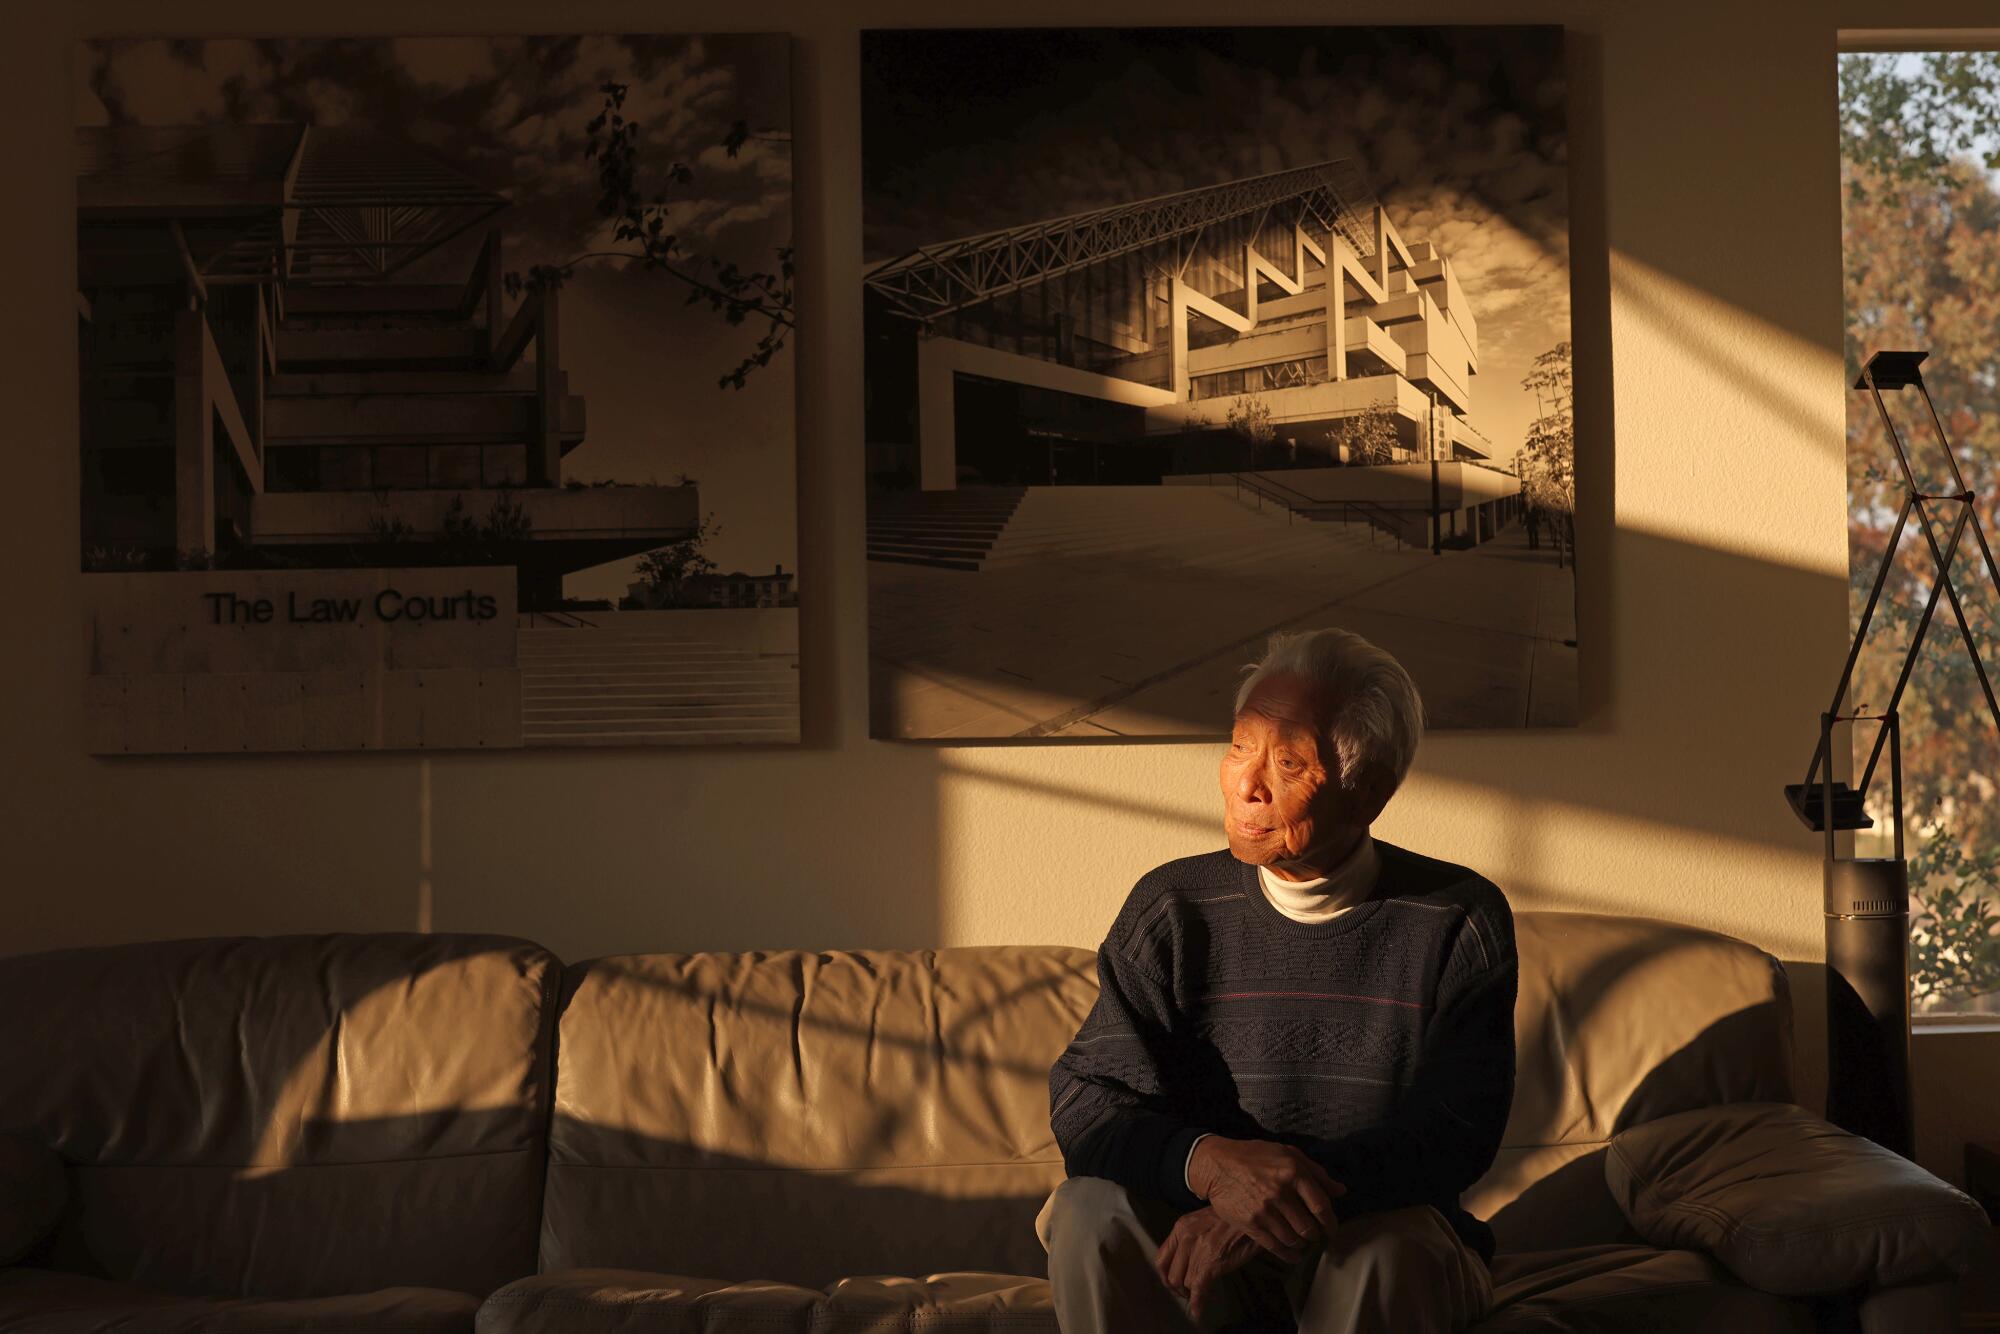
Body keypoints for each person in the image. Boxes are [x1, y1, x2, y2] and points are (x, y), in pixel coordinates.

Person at [1039, 628, 1516, 1334]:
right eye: (1239, 746)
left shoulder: (1457, 916)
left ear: (1368, 793)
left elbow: (1454, 1133)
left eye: (1287, 762)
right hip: (1195, 1250)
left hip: (1373, 1241)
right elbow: (1087, 1096)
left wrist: (1266, 1208)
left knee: (1386, 1252)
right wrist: (1211, 1171)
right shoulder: (1173, 906)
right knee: (1084, 1213)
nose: (1246, 783)